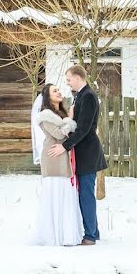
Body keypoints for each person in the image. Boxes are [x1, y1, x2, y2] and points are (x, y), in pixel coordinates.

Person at [47, 65, 107, 245]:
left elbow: (84, 129)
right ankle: (92, 232)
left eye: (69, 79)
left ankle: (90, 236)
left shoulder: (88, 96)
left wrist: (64, 147)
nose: (67, 83)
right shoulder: (80, 95)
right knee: (83, 194)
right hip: (82, 152)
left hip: (88, 153)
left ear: (78, 77)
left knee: (86, 195)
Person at [32, 83, 84, 246]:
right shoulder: (45, 115)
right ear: (47, 96)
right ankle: (52, 236)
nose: (59, 92)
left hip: (63, 156)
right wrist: (71, 120)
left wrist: (68, 119)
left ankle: (65, 235)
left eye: (59, 90)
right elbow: (59, 134)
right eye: (55, 91)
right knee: (55, 194)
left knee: (66, 195)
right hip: (53, 157)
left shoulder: (60, 114)